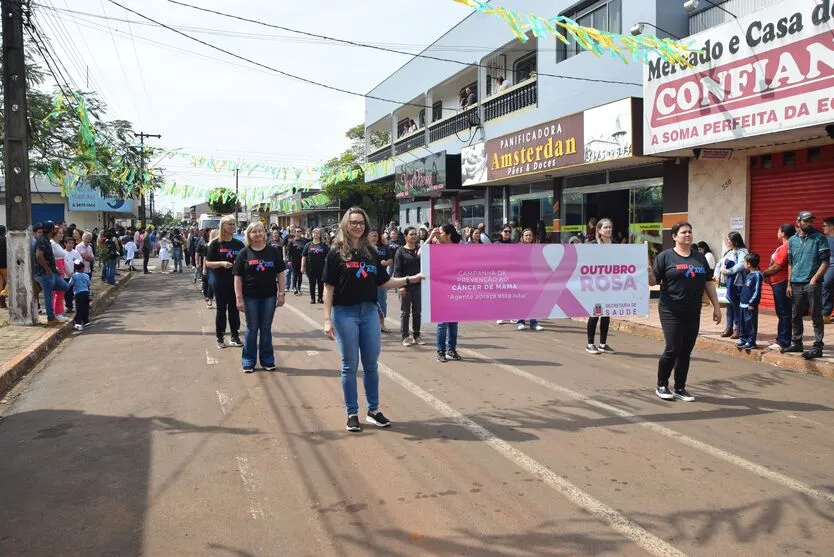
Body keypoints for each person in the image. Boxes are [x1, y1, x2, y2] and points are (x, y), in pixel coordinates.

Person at [322, 207, 423, 432]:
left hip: (369, 313)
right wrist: (327, 319)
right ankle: (352, 413)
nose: (358, 226)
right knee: (349, 366)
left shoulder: (371, 252)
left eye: (361, 222)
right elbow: (328, 287)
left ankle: (374, 411)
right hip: (344, 313)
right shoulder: (336, 252)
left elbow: (383, 282)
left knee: (371, 365)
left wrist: (411, 279)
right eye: (353, 222)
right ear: (345, 225)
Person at [649, 221, 722, 402]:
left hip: (692, 310)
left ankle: (680, 388)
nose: (688, 235)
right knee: (673, 348)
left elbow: (707, 283)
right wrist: (648, 270)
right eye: (683, 232)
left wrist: (717, 307)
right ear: (674, 236)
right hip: (670, 309)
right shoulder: (665, 257)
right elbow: (652, 282)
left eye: (690, 232)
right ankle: (662, 385)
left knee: (685, 351)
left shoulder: (699, 258)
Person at [233, 222, 286, 373]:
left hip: (269, 296)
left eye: (260, 231)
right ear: (248, 235)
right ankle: (248, 361)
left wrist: (281, 294)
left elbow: (280, 273)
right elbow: (237, 277)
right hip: (250, 297)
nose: (258, 234)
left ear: (265, 233)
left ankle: (267, 360)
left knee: (266, 328)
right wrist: (239, 298)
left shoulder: (273, 251)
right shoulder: (244, 253)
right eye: (254, 232)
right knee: (252, 328)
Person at [784, 211, 830, 360]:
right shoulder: (792, 240)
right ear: (798, 222)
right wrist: (789, 284)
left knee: (816, 315)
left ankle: (818, 347)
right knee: (796, 314)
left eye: (810, 221)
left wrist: (814, 279)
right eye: (805, 221)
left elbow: (825, 262)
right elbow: (791, 263)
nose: (809, 224)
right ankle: (797, 342)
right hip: (796, 283)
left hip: (812, 284)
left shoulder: (819, 238)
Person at [206, 215, 245, 349]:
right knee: (221, 309)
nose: (233, 226)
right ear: (223, 226)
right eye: (230, 224)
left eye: (234, 223)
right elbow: (208, 263)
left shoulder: (239, 244)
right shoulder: (215, 243)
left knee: (234, 309)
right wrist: (221, 263)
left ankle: (235, 336)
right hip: (220, 281)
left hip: (235, 282)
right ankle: (220, 336)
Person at [426, 224, 463, 362]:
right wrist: (430, 237)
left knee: (454, 322)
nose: (437, 234)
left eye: (440, 232)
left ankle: (451, 350)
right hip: (440, 289)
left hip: (456, 289)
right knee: (442, 322)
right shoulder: (436, 248)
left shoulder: (459, 249)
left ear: (448, 235)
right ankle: (440, 351)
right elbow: (420, 253)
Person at [762, 224, 795, 350]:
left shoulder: (787, 246)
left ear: (783, 233)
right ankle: (782, 338)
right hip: (777, 283)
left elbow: (777, 266)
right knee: (782, 312)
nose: (777, 234)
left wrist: (765, 273)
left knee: (784, 312)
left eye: (778, 231)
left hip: (782, 283)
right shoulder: (782, 247)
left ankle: (783, 341)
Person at [586, 219, 615, 351]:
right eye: (605, 227)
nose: (608, 229)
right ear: (599, 230)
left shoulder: (616, 245)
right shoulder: (592, 245)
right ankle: (590, 343)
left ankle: (603, 343)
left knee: (606, 313)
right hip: (596, 285)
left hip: (611, 284)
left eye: (610, 227)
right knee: (595, 313)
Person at [34, 221, 70, 325]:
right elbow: (39, 255)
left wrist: (54, 268)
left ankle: (47, 288)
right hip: (44, 273)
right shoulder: (42, 240)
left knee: (64, 286)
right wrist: (47, 268)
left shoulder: (47, 240)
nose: (57, 230)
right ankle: (51, 318)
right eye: (55, 229)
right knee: (48, 295)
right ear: (51, 230)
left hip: (51, 272)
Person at [394, 227, 423, 346]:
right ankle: (405, 337)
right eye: (411, 234)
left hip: (418, 286)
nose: (414, 236)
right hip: (405, 286)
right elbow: (397, 270)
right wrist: (400, 286)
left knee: (417, 312)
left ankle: (417, 335)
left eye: (415, 234)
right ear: (406, 236)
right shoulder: (400, 251)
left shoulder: (419, 250)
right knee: (405, 313)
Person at [717, 231, 748, 339]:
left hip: (736, 283)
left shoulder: (742, 252)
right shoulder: (728, 252)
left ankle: (737, 329)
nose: (727, 242)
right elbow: (720, 263)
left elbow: (741, 265)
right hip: (726, 282)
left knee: (736, 306)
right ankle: (728, 327)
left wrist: (729, 271)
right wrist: (716, 275)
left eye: (729, 240)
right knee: (729, 306)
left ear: (735, 241)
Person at [516, 228, 545, 332]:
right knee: (522, 300)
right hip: (522, 278)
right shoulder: (518, 248)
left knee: (533, 301)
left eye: (530, 235)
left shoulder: (536, 248)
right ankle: (520, 321)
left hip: (534, 278)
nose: (528, 237)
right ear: (522, 237)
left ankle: (534, 323)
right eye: (526, 235)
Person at [369, 228, 393, 333]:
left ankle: (382, 324)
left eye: (375, 235)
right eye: (371, 235)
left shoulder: (384, 248)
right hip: (368, 279)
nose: (373, 238)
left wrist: (386, 262)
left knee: (382, 301)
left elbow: (391, 260)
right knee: (370, 302)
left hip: (381, 279)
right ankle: (371, 325)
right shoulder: (364, 248)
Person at [738, 253, 763, 350]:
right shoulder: (749, 274)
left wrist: (752, 303)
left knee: (750, 324)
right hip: (743, 304)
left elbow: (756, 291)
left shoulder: (757, 275)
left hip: (750, 305)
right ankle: (743, 339)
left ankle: (751, 341)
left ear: (749, 264)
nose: (743, 264)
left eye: (744, 262)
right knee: (743, 323)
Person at [301, 227, 328, 304]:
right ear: (312, 235)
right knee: (312, 283)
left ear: (319, 235)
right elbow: (304, 256)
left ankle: (320, 298)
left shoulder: (323, 245)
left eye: (317, 233)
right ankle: (312, 298)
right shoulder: (308, 245)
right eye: (314, 233)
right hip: (310, 268)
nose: (316, 234)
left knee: (320, 284)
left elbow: (328, 257)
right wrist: (302, 267)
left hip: (321, 268)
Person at [68, 260, 91, 331]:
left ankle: (78, 323)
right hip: (86, 292)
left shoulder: (74, 276)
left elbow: (70, 284)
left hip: (78, 293)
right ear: (83, 268)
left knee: (79, 308)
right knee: (85, 307)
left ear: (75, 268)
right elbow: (89, 284)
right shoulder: (86, 275)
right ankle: (86, 320)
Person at [63, 237, 80, 314]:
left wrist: (75, 261)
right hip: (65, 276)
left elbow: (79, 262)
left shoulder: (75, 253)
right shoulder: (62, 253)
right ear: (65, 244)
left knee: (73, 292)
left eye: (72, 243)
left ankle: (73, 306)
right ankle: (68, 306)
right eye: (69, 243)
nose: (71, 245)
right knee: (67, 292)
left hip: (74, 275)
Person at [822, 216, 834, 324]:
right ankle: (826, 314)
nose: (823, 228)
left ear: (831, 226)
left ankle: (825, 314)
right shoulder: (825, 238)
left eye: (825, 226)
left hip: (832, 266)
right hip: (826, 266)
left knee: (826, 285)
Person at [201, 229, 215, 308]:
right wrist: (204, 269)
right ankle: (210, 300)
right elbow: (205, 258)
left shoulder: (220, 245)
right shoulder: (207, 245)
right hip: (210, 267)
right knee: (211, 284)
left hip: (219, 268)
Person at [0, 225, 6, 308]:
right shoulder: (5, 240)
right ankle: (3, 297)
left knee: (0, 284)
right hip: (5, 265)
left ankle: (2, 303)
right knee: (8, 282)